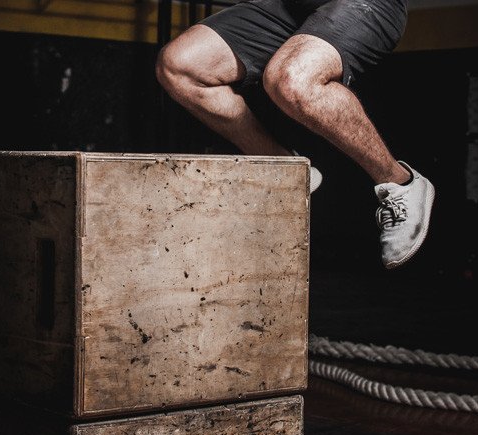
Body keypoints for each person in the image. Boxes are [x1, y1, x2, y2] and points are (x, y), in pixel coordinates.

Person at [155, 0, 434, 269]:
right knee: (180, 66)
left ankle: (399, 182)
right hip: (288, 7)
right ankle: (287, 169)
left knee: (292, 80)